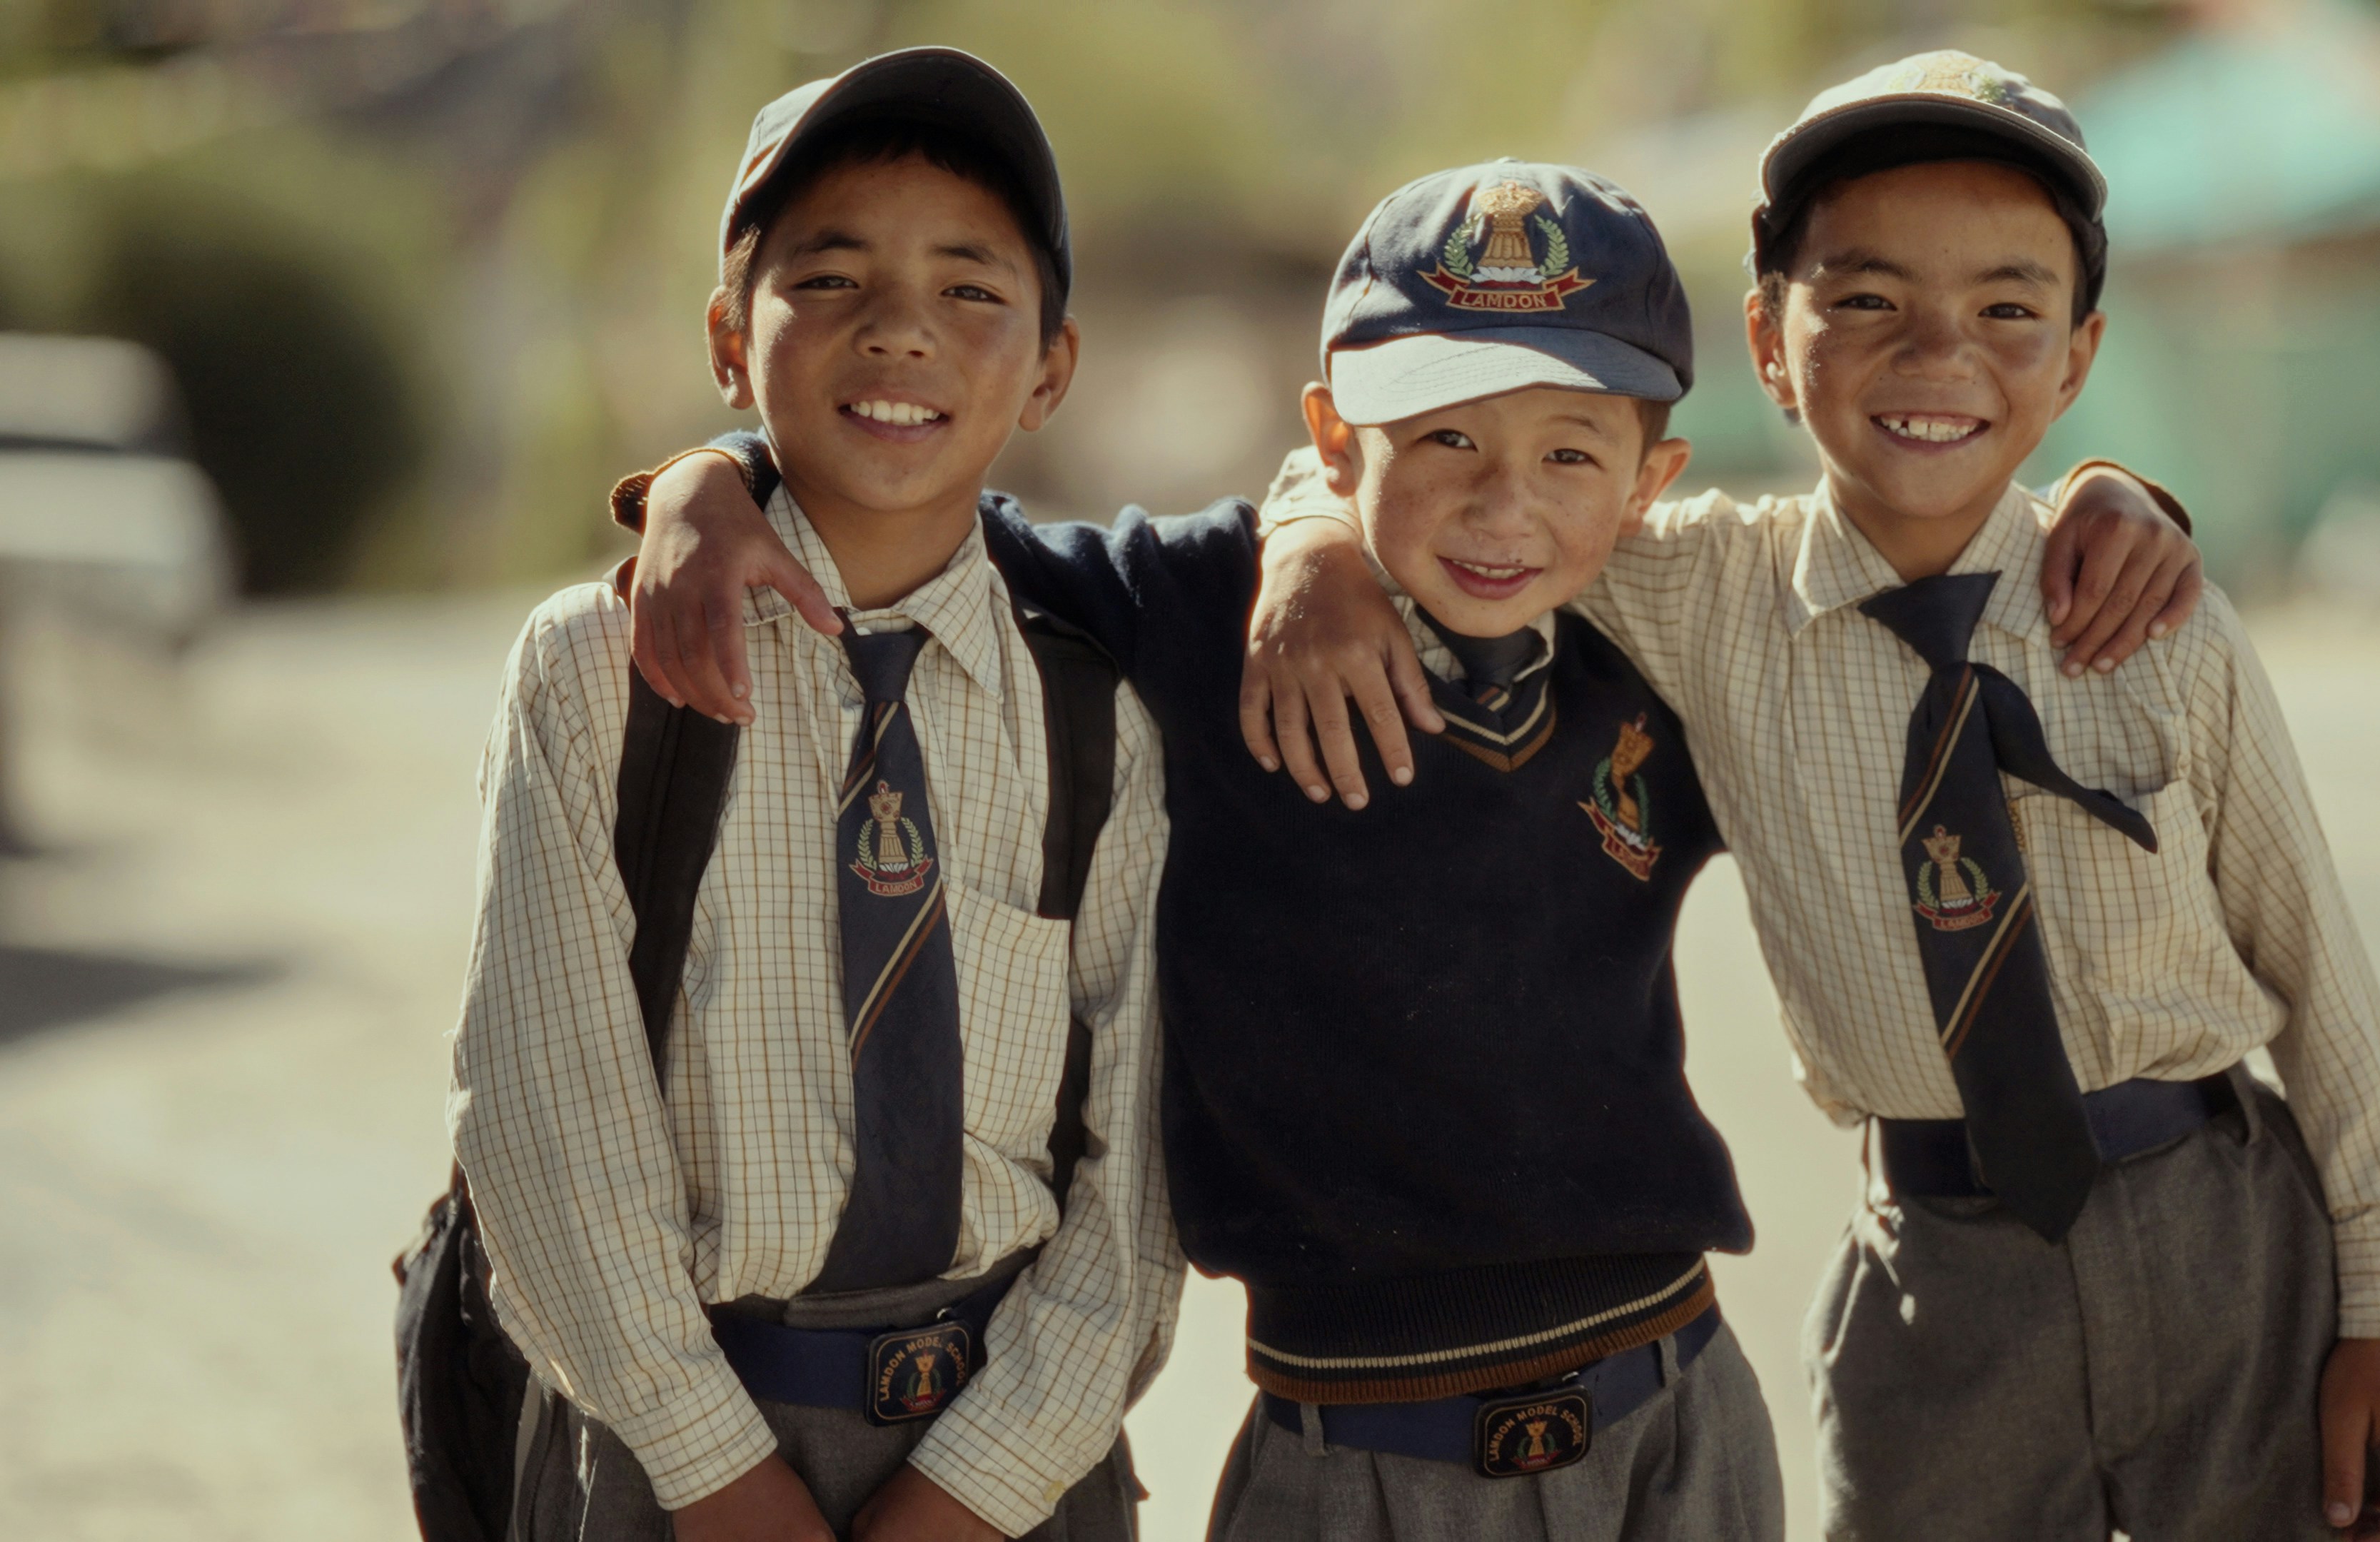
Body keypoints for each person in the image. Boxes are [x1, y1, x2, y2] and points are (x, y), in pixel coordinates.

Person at [608, 146, 2199, 1534]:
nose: (1503, 504)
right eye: (1438, 439)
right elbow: (931, 501)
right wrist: (712, 475)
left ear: (1651, 482)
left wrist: (2116, 496)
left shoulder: (1676, 651)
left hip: (1669, 1411)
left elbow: (1905, 568)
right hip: (1346, 1448)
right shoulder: (1201, 609)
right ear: (1332, 427)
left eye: (1569, 454)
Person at [1248, 51, 2380, 1542]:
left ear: (2077, 359)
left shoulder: (2159, 624)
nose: (1937, 355)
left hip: (2227, 1245)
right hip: (1939, 1278)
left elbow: (2323, 978)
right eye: (1866, 301)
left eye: (2009, 311)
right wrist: (1311, 546)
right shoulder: (1696, 590)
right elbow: (1437, 477)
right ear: (1766, 336)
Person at [448, 49, 1179, 1542]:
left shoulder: (1099, 714)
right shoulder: (601, 676)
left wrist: (973, 1494)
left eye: (972, 290)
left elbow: (1141, 1170)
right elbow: (543, 1118)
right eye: (830, 280)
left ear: (1051, 367)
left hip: (1011, 1462)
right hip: (670, 1442)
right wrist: (719, 1476)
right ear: (731, 340)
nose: (901, 328)